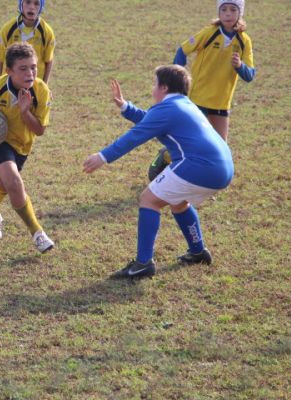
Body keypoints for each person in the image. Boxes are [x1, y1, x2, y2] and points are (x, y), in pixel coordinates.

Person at [83, 65, 234, 279]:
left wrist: (103, 156)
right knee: (178, 202)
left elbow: (135, 136)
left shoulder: (168, 108)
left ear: (163, 87)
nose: (152, 89)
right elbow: (151, 122)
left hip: (200, 166)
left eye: (154, 84)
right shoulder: (184, 105)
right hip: (223, 168)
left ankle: (143, 263)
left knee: (148, 200)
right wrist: (126, 107)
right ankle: (198, 251)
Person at [148, 0, 255, 181]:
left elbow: (250, 75)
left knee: (220, 147)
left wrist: (240, 66)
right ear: (219, 13)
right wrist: (177, 81)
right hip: (198, 98)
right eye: (224, 10)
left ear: (240, 13)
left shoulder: (244, 41)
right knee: (192, 143)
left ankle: (205, 180)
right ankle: (166, 156)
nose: (228, 14)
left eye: (233, 10)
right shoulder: (209, 33)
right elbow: (182, 50)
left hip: (222, 101)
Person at [0, 43, 54, 253]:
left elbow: (40, 130)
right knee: (14, 181)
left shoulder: (41, 91)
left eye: (33, 67)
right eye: (23, 68)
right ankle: (37, 233)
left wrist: (25, 112)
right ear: (9, 71)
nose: (30, 73)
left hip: (22, 144)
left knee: (6, 183)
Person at [0, 0, 56, 175]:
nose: (31, 8)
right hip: (9, 83)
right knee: (0, 119)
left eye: (35, 4)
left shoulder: (46, 32)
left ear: (41, 7)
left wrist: (44, 86)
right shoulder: (9, 28)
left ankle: (15, 157)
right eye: (27, 3)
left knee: (24, 122)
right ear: (20, 6)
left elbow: (48, 61)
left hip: (32, 87)